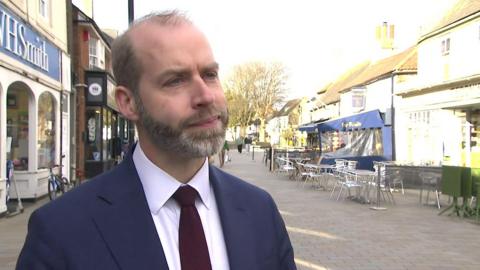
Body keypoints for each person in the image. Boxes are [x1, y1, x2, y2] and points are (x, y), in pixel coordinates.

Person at [17, 11, 296, 270]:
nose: (206, 96)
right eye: (175, 81)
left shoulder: (260, 210)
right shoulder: (61, 230)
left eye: (210, 75)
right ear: (129, 103)